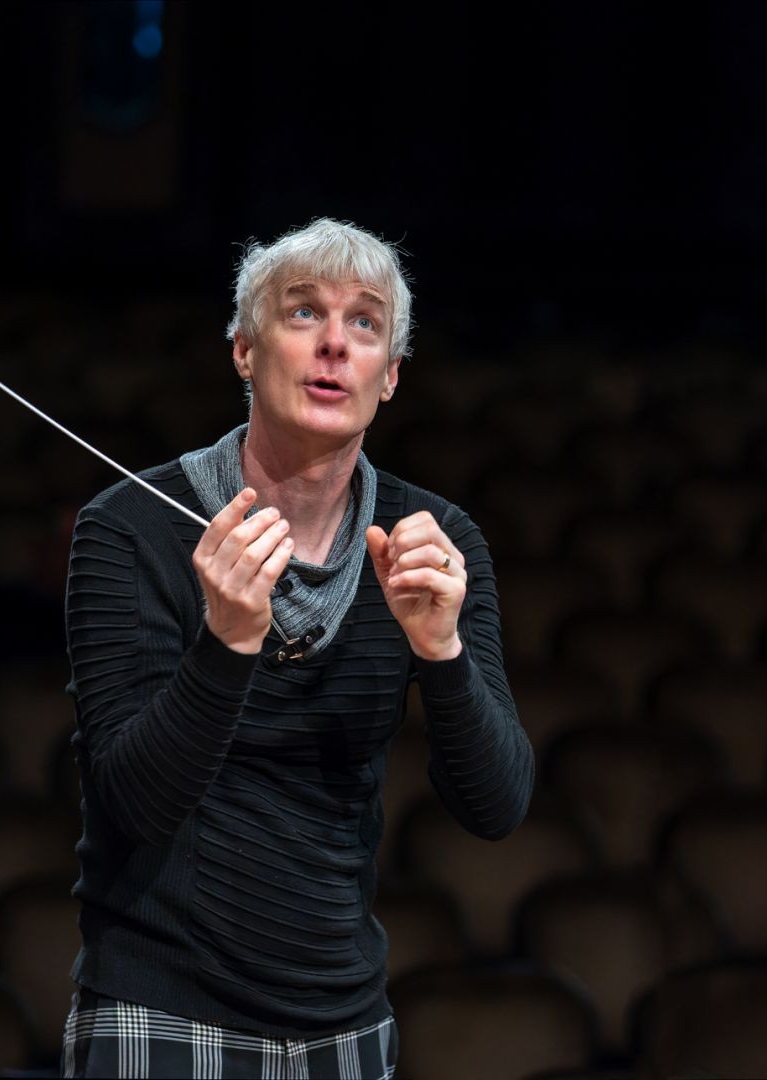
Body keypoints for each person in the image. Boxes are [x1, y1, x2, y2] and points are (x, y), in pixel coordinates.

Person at [59, 218, 533, 1078]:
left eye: (364, 322)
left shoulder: (433, 539)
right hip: (161, 1010)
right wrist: (227, 642)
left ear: (390, 376)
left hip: (344, 1021)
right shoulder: (132, 528)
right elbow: (131, 802)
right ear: (244, 351)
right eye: (303, 312)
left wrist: (441, 651)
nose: (333, 344)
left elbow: (495, 806)